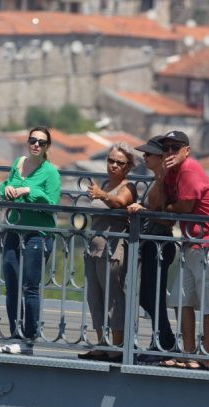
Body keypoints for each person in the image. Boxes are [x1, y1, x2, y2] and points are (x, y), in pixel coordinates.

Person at [159, 130, 209, 370]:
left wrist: (170, 208)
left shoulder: (189, 169)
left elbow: (184, 205)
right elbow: (159, 201)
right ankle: (188, 353)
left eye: (175, 147)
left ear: (186, 150)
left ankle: (205, 355)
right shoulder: (173, 172)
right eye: (166, 148)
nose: (169, 152)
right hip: (193, 243)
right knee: (181, 299)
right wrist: (161, 173)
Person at [0, 126, 61, 354]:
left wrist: (27, 192)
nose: (36, 145)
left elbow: (52, 203)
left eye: (42, 143)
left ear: (47, 147)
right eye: (33, 140)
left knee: (29, 287)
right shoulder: (18, 163)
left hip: (37, 233)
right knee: (11, 284)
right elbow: (4, 186)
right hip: (14, 229)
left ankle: (28, 338)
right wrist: (8, 189)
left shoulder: (50, 172)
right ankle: (14, 334)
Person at [79, 143, 137, 361]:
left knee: (113, 298)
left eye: (119, 162)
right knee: (95, 297)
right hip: (94, 248)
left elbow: (119, 202)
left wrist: (101, 194)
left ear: (128, 166)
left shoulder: (128, 187)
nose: (113, 165)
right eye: (110, 161)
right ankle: (102, 344)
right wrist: (101, 192)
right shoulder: (103, 184)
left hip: (112, 249)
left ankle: (118, 347)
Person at [127, 135, 177, 363]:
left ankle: (164, 344)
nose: (144, 157)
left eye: (148, 154)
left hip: (160, 244)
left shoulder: (166, 181)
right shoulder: (157, 179)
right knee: (148, 297)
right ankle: (164, 342)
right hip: (150, 244)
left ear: (161, 157)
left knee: (152, 297)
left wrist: (143, 211)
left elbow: (169, 218)